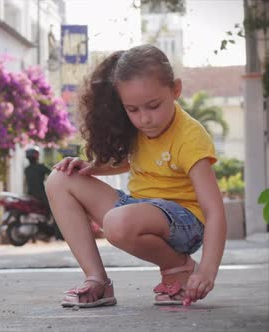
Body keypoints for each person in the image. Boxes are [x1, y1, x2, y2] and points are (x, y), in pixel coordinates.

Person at [46, 44, 226, 308]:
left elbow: (214, 211)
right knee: (60, 178)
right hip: (141, 209)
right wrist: (90, 167)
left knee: (117, 223)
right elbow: (135, 162)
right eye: (133, 110)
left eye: (153, 106)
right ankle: (97, 280)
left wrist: (207, 271)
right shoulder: (139, 128)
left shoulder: (190, 138)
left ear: (175, 90)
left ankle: (180, 267)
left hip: (186, 222)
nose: (144, 119)